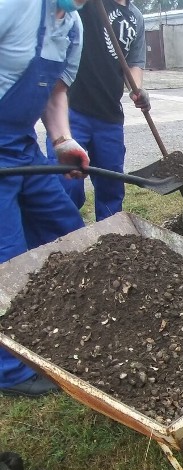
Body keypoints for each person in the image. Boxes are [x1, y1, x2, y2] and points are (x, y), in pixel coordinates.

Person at [0, 0, 90, 398]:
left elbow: (53, 93)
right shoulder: (13, 7)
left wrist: (61, 140)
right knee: (7, 257)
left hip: (21, 146)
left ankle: (64, 331)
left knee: (67, 231)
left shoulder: (73, 26)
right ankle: (10, 370)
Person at [47, 0, 149, 221]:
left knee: (112, 188)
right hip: (72, 111)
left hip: (110, 116)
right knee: (67, 185)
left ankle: (111, 241)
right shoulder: (90, 4)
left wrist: (137, 89)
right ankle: (66, 242)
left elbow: (134, 62)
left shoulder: (136, 17)